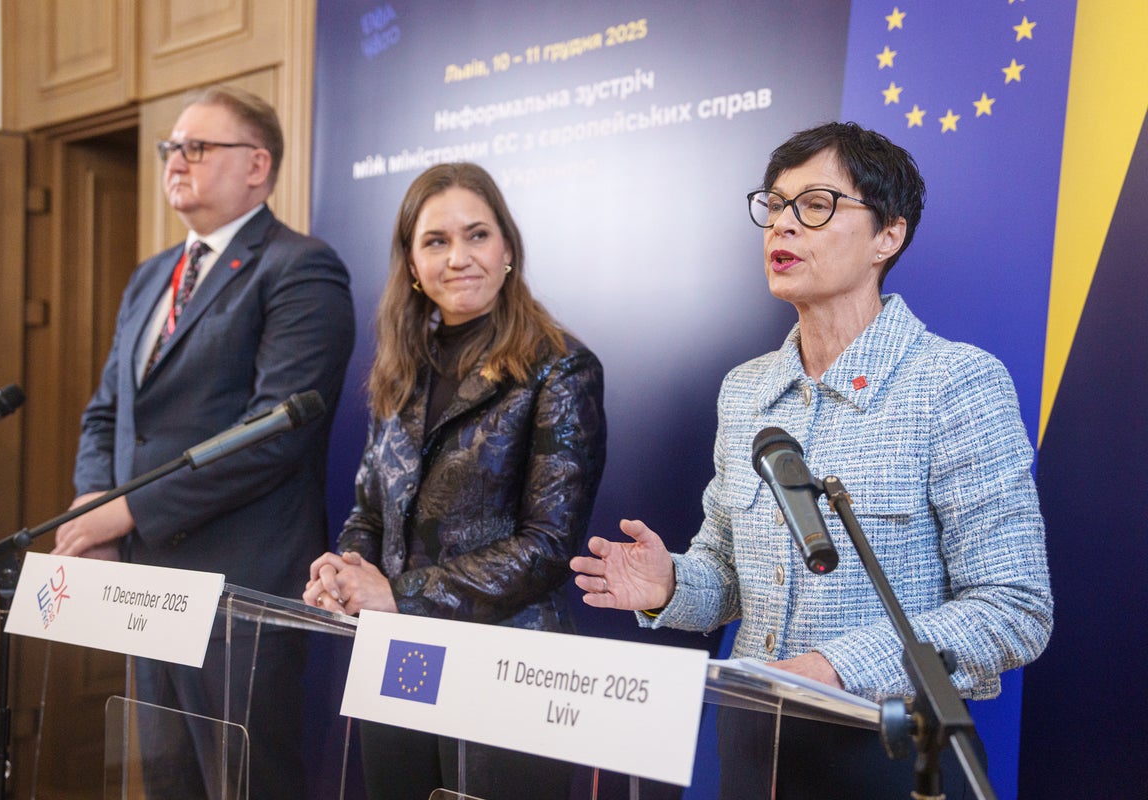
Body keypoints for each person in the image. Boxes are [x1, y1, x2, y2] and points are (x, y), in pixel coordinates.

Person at [571, 122, 1053, 799]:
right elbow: (727, 575)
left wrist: (835, 666)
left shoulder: (954, 384)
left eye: (816, 205)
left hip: (888, 748)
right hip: (753, 743)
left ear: (889, 235)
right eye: (774, 205)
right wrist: (671, 585)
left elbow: (1014, 609)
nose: (783, 225)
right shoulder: (745, 391)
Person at [52, 85, 354, 799]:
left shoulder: (299, 267)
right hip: (146, 585)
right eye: (171, 147)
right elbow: (110, 412)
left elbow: (271, 435)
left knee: (244, 785)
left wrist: (127, 511)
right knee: (167, 782)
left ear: (257, 165)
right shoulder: (151, 276)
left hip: (240, 589)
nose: (175, 160)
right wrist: (93, 501)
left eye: (197, 146)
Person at [303, 162, 606, 800]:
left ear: (507, 249)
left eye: (477, 235)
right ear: (413, 265)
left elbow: (549, 545)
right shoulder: (400, 370)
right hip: (398, 661)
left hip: (511, 667)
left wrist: (396, 594)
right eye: (436, 241)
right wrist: (345, 571)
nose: (458, 257)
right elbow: (370, 511)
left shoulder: (561, 367)